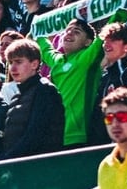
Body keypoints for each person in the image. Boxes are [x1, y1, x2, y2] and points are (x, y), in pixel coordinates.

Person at [38, 18, 103, 148]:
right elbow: (44, 47)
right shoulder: (58, 60)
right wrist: (37, 29)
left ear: (88, 42)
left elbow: (104, 37)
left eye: (77, 32)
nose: (69, 33)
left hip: (77, 136)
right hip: (53, 135)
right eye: (67, 30)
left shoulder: (87, 59)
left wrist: (122, 10)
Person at [0, 39, 66, 160]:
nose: (13, 68)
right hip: (21, 164)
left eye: (18, 62)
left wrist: (4, 159)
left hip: (40, 165)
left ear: (34, 64)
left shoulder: (45, 90)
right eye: (11, 62)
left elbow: (35, 135)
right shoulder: (17, 96)